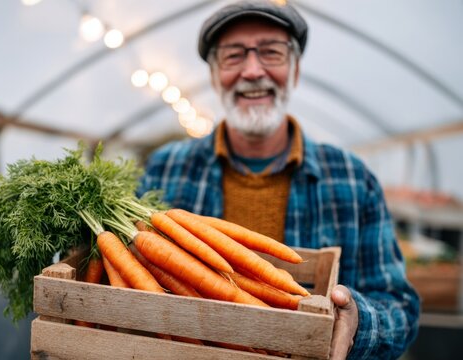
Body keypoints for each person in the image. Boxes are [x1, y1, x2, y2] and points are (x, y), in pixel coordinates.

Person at [137, 1, 420, 359]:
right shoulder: (165, 169)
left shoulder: (352, 178)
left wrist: (358, 321)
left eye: (271, 53)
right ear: (213, 75)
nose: (253, 71)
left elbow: (401, 306)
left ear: (295, 70)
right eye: (233, 55)